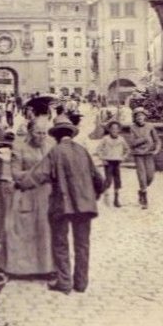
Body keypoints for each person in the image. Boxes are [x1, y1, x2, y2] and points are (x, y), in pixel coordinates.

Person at [16, 118, 105, 294]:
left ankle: (64, 282)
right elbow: (98, 178)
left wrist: (21, 185)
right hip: (85, 204)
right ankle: (81, 283)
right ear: (71, 135)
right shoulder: (83, 151)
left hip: (62, 205)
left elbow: (39, 175)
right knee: (82, 244)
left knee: (60, 243)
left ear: (55, 136)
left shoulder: (55, 152)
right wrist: (96, 193)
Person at [6, 117, 55, 276]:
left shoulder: (50, 146)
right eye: (38, 133)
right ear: (30, 132)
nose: (41, 136)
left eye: (44, 133)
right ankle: (24, 269)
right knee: (25, 231)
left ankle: (47, 268)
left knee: (46, 230)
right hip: (26, 193)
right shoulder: (19, 147)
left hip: (47, 194)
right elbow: (14, 173)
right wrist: (37, 173)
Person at [129, 107, 162, 209]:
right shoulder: (133, 128)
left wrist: (156, 149)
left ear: (145, 117)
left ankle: (141, 190)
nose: (139, 118)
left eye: (141, 116)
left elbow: (157, 140)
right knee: (142, 176)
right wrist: (143, 139)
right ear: (135, 118)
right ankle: (144, 197)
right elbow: (132, 143)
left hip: (149, 154)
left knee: (150, 176)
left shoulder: (150, 126)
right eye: (137, 116)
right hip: (138, 154)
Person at [96, 119, 130, 207]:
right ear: (109, 130)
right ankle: (106, 197)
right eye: (112, 129)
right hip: (108, 161)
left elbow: (127, 149)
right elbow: (99, 149)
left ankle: (116, 199)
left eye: (116, 129)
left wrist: (123, 157)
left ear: (119, 130)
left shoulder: (121, 139)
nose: (114, 130)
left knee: (117, 180)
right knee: (108, 180)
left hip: (117, 161)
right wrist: (103, 158)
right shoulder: (105, 139)